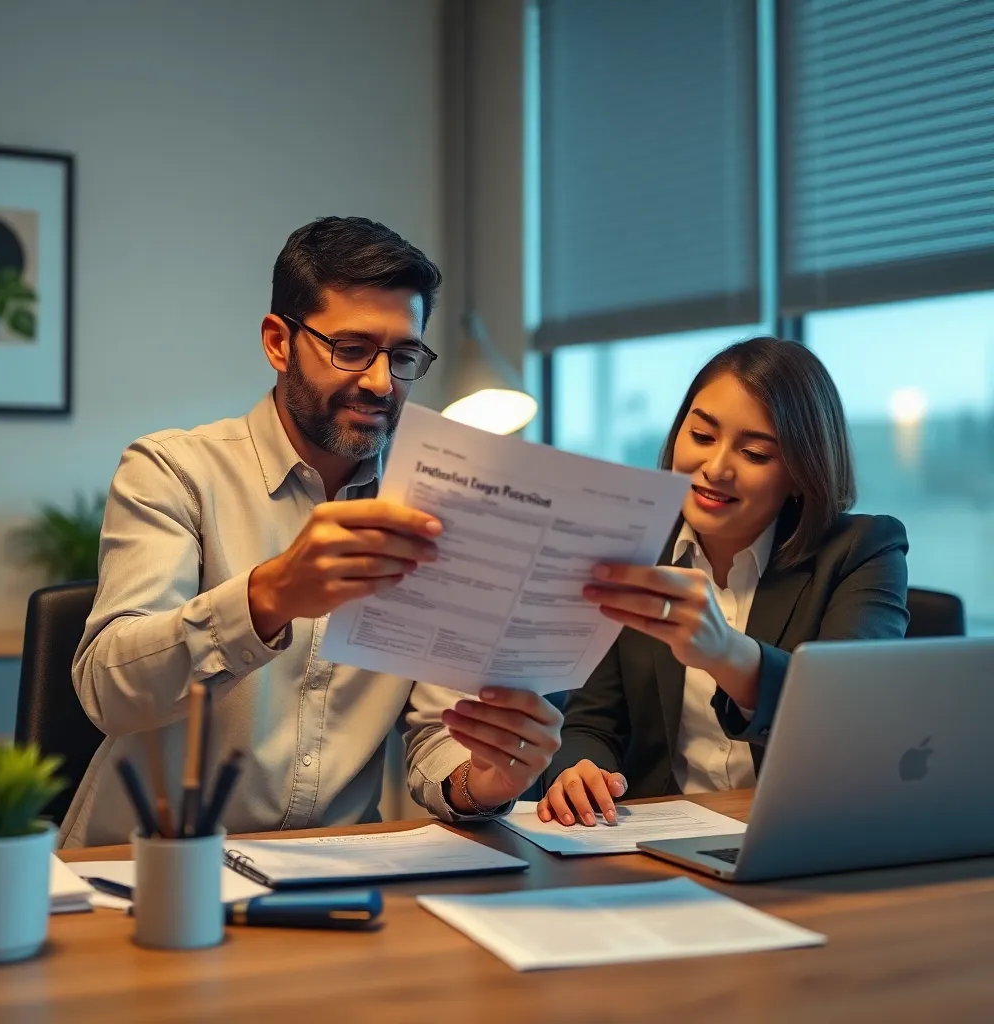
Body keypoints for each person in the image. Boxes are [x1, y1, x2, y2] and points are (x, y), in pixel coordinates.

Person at [63, 216, 562, 847]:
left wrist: (482, 782)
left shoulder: (440, 497)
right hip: (149, 867)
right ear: (278, 342)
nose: (381, 382)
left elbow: (439, 733)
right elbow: (111, 691)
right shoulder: (173, 470)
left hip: (337, 872)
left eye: (403, 356)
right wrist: (267, 598)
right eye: (351, 350)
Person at [538, 337, 908, 827]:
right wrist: (579, 771)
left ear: (801, 472)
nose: (715, 468)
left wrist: (725, 652)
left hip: (804, 830)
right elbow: (591, 721)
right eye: (702, 436)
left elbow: (849, 715)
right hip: (660, 840)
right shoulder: (636, 545)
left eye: (755, 453)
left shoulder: (863, 549)